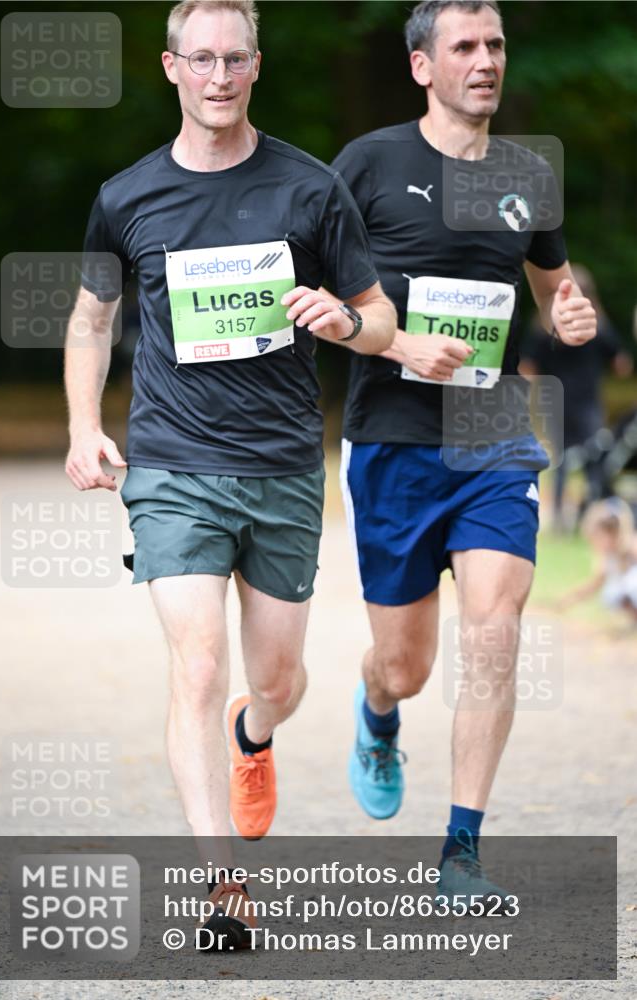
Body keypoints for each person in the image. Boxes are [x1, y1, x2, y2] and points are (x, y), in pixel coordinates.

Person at [64, 0, 395, 948]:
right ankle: (223, 892)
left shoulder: (310, 187)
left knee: (276, 680)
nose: (218, 76)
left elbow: (375, 320)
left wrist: (342, 321)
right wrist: (86, 426)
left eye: (234, 59)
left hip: (283, 462)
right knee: (197, 666)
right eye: (200, 59)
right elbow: (93, 318)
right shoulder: (127, 196)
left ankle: (257, 737)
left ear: (256, 67)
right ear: (171, 67)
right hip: (174, 463)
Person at [332, 0, 597, 901]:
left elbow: (555, 285)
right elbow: (315, 302)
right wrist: (395, 340)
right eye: (464, 47)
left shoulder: (527, 173)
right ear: (422, 66)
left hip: (491, 438)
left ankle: (461, 849)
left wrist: (568, 314)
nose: (485, 61)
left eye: (494, 45)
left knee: (493, 629)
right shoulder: (368, 164)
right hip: (392, 440)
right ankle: (376, 713)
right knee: (404, 665)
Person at [520, 263, 633, 530]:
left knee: (560, 461)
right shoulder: (597, 327)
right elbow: (622, 365)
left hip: (555, 402)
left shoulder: (542, 330)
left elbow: (527, 369)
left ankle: (559, 516)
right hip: (587, 403)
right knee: (594, 458)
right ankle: (590, 514)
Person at [555, 498, 637, 623]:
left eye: (597, 537)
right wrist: (571, 598)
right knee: (611, 593)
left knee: (630, 586)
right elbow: (596, 583)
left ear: (613, 533)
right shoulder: (608, 557)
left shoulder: (631, 547)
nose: (594, 543)